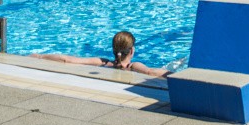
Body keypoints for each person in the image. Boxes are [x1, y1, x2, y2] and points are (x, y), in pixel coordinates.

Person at [31, 31, 169, 77]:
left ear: (113, 50)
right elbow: (151, 72)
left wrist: (39, 56)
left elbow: (67, 60)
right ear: (132, 50)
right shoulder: (133, 66)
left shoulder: (104, 63)